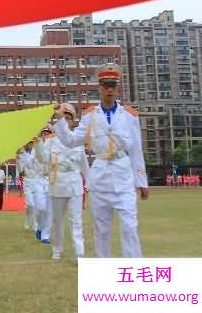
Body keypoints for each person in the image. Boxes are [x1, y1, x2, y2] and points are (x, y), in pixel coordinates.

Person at [53, 63, 149, 258]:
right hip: (100, 176)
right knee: (101, 230)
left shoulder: (129, 115)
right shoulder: (90, 115)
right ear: (99, 87)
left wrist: (141, 182)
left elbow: (136, 149)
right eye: (105, 85)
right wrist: (61, 120)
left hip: (123, 177)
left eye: (112, 85)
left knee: (130, 228)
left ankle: (132, 272)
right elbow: (71, 141)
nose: (109, 89)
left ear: (117, 88)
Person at [34, 103, 89, 261]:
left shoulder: (77, 139)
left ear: (72, 121)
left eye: (68, 118)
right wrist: (37, 142)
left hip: (74, 184)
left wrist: (89, 184)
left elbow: (84, 165)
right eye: (62, 117)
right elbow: (42, 159)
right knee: (57, 221)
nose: (65, 121)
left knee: (76, 221)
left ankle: (79, 253)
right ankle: (57, 250)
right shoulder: (50, 141)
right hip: (57, 184)